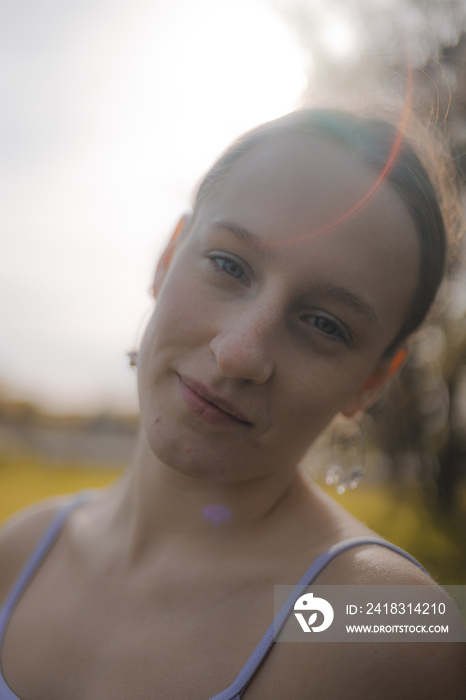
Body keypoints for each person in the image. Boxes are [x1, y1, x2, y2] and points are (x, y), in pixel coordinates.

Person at [0, 108, 464, 700]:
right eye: (228, 265)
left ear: (369, 384)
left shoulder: (385, 624)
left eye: (324, 323)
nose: (240, 353)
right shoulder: (20, 553)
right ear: (167, 258)